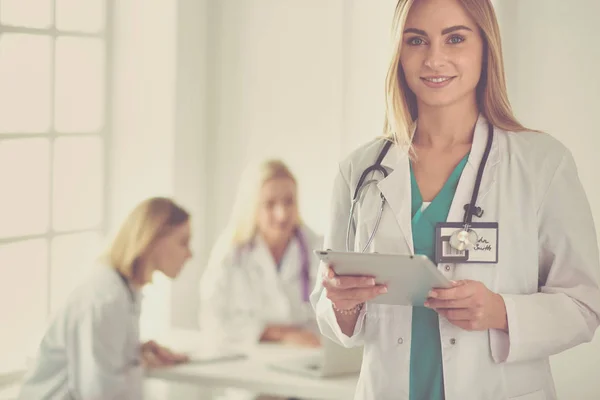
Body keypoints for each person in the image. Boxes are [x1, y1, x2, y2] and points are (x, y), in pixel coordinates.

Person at [310, 0, 600, 399]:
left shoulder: (541, 165)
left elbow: (585, 303)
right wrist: (343, 303)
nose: (434, 59)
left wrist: (500, 311)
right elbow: (331, 309)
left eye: (455, 39)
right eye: (417, 40)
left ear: (486, 48)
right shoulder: (360, 170)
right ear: (400, 51)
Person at [18, 197, 193, 400]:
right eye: (183, 242)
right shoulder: (106, 299)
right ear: (152, 239)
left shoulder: (124, 290)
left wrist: (136, 352)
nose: (189, 254)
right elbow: (97, 394)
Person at [199, 159, 322, 349]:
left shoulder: (316, 248)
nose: (282, 214)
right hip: (246, 361)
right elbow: (212, 323)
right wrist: (281, 334)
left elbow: (332, 321)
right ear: (252, 207)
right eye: (270, 204)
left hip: (305, 359)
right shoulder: (230, 254)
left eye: (289, 202)